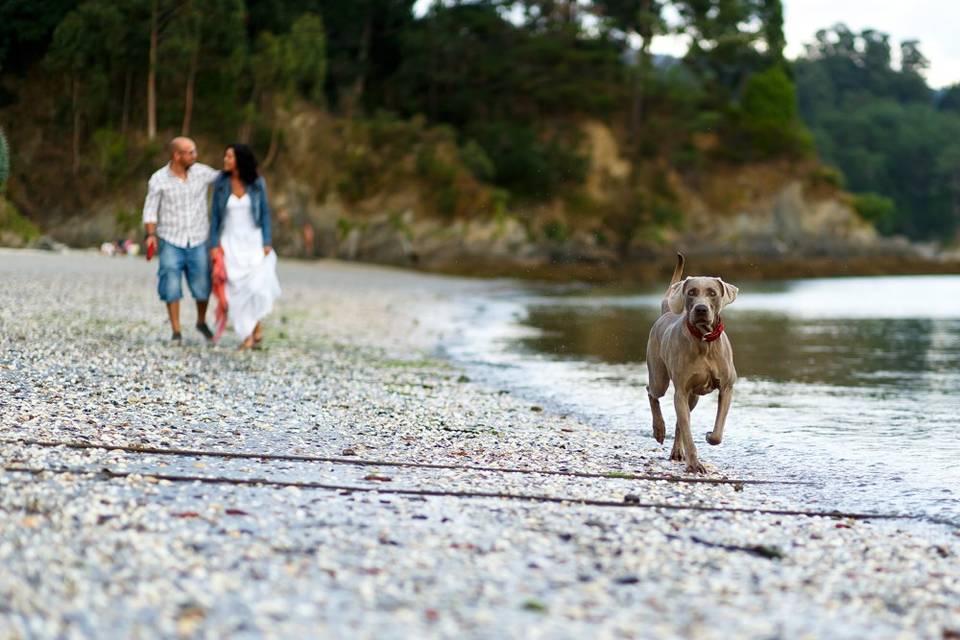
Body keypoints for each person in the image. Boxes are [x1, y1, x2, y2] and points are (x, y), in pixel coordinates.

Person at [143, 137, 219, 344]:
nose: (195, 155)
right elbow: (150, 210)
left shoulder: (202, 172)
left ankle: (201, 321)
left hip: (198, 237)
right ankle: (176, 330)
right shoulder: (158, 179)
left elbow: (224, 178)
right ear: (177, 155)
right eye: (190, 152)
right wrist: (150, 235)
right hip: (170, 239)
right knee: (170, 282)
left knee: (203, 283)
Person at [209, 144, 281, 350]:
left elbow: (265, 213)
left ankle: (254, 329)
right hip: (229, 241)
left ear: (239, 159)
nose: (225, 159)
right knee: (235, 290)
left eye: (229, 156)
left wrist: (266, 242)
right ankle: (247, 335)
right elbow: (214, 216)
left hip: (253, 240)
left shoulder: (257, 182)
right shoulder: (221, 183)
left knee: (255, 287)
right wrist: (214, 245)